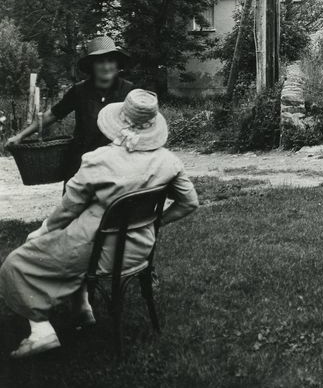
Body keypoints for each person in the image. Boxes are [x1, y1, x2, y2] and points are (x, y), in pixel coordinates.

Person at [0, 89, 199, 359]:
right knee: (69, 244)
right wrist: (154, 223)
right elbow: (189, 203)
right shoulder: (169, 161)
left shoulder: (99, 160)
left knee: (17, 262)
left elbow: (68, 208)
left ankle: (40, 330)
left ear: (119, 123)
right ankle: (83, 308)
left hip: (97, 252)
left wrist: (44, 229)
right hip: (138, 249)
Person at [7, 35, 135, 181]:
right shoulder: (79, 90)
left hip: (115, 162)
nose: (106, 67)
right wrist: (21, 136)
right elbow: (52, 115)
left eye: (110, 61)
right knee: (74, 202)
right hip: (82, 161)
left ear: (117, 64)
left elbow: (142, 124)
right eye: (100, 62)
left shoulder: (128, 91)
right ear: (92, 66)